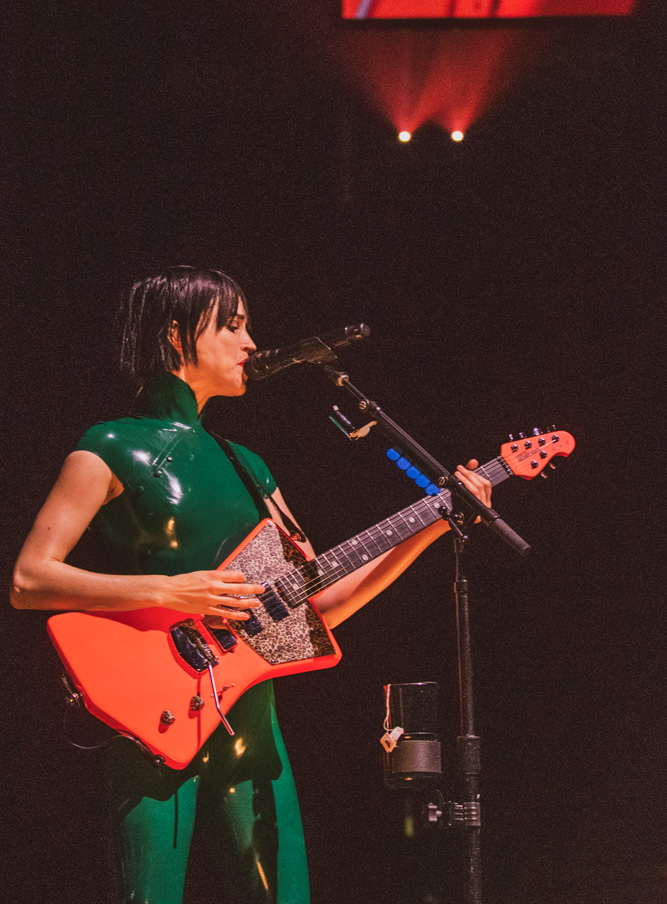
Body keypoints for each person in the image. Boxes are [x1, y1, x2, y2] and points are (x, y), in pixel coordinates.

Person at [11, 266, 492, 904]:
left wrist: (432, 526)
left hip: (252, 736)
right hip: (153, 724)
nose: (251, 343)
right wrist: (169, 591)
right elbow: (29, 578)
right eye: (234, 326)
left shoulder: (250, 466)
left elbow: (319, 604)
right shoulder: (109, 447)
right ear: (179, 336)